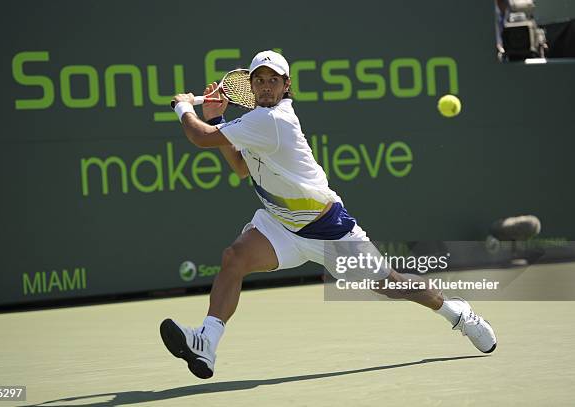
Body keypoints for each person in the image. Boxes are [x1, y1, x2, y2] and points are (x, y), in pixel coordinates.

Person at [161, 50, 497, 379]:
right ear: (250, 85)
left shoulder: (273, 120)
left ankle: (458, 313)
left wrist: (184, 108)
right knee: (234, 258)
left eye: (273, 81)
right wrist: (218, 118)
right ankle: (206, 341)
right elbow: (240, 167)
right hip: (282, 225)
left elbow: (199, 137)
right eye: (259, 80)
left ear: (285, 85)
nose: (265, 87)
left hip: (330, 230)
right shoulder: (255, 121)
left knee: (390, 284)